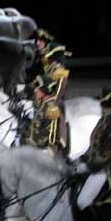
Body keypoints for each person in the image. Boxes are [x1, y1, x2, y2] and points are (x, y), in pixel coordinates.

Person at [24, 29, 71, 157]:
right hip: (40, 96)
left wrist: (44, 98)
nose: (37, 43)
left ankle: (54, 145)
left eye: (41, 41)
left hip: (53, 101)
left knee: (52, 112)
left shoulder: (60, 70)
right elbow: (36, 78)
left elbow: (58, 93)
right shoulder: (45, 64)